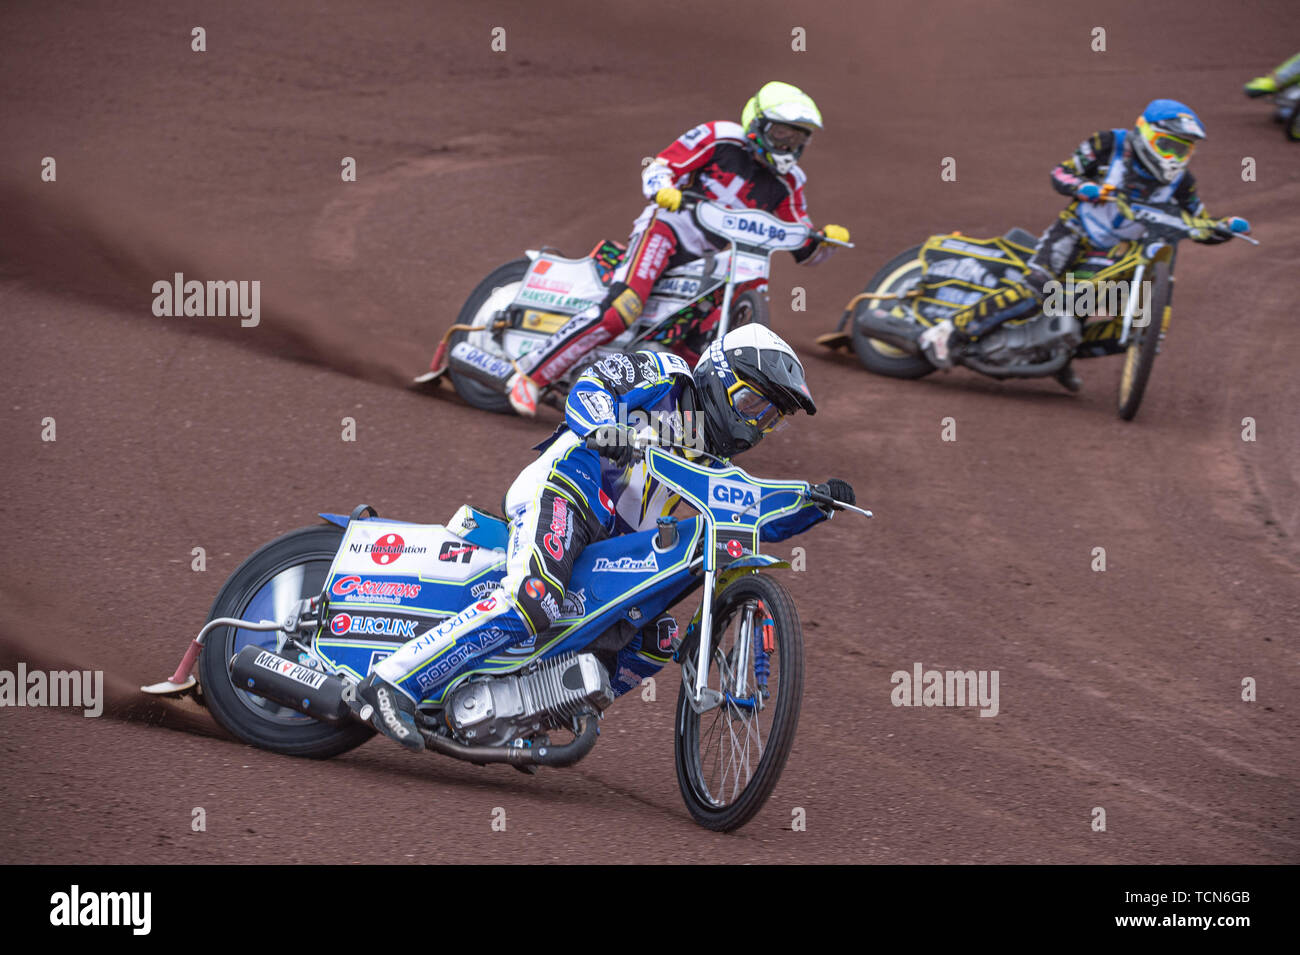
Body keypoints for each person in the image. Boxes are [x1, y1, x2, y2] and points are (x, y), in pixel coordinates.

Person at [358, 325, 856, 749]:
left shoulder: (718, 465)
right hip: (568, 489)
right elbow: (592, 384)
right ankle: (390, 683)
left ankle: (527, 710)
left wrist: (814, 504)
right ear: (719, 374)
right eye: (751, 403)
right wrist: (605, 428)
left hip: (612, 546)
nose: (755, 426)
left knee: (656, 640)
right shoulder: (666, 374)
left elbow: (758, 517)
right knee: (534, 599)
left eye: (770, 418)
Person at [501, 81, 851, 417]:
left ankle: (678, 415)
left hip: (715, 263)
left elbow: (800, 241)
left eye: (798, 137)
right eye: (781, 133)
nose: (788, 144)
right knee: (623, 307)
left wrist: (825, 241)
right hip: (668, 229)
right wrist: (662, 189)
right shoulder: (720, 138)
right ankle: (531, 376)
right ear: (758, 123)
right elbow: (662, 166)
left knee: (700, 339)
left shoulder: (790, 182)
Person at [914, 99, 1249, 391]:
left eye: (1183, 149)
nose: (1174, 157)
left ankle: (1055, 356)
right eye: (1167, 145)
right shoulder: (1108, 144)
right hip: (1074, 231)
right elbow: (1061, 173)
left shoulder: (1182, 182)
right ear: (1146, 133)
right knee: (1040, 289)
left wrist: (1223, 228)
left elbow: (1198, 221)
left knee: (1120, 318)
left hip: (1116, 253)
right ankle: (948, 333)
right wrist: (1085, 187)